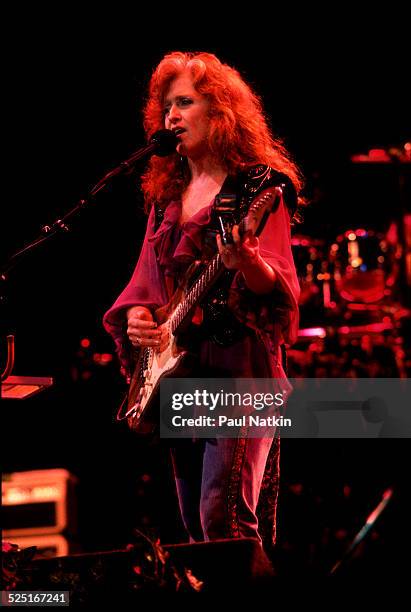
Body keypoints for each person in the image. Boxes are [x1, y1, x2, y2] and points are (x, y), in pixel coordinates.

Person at [103, 51, 303, 549]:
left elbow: (277, 288)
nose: (171, 115)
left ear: (220, 111)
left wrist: (247, 262)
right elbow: (144, 286)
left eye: (185, 102)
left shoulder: (259, 187)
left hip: (239, 369)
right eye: (167, 105)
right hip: (182, 371)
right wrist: (138, 317)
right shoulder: (166, 199)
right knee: (195, 530)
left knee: (225, 518)